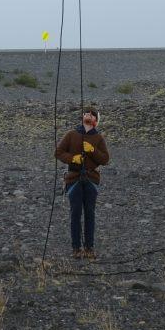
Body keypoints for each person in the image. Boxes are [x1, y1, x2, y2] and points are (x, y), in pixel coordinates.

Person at [54, 107, 109, 258]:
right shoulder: (71, 134)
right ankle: (76, 249)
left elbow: (105, 159)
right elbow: (58, 152)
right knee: (75, 213)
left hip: (91, 180)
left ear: (96, 121)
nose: (88, 115)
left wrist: (92, 150)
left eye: (92, 114)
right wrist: (73, 158)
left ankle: (89, 248)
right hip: (74, 179)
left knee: (90, 214)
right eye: (86, 113)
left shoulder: (98, 139)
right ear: (82, 117)